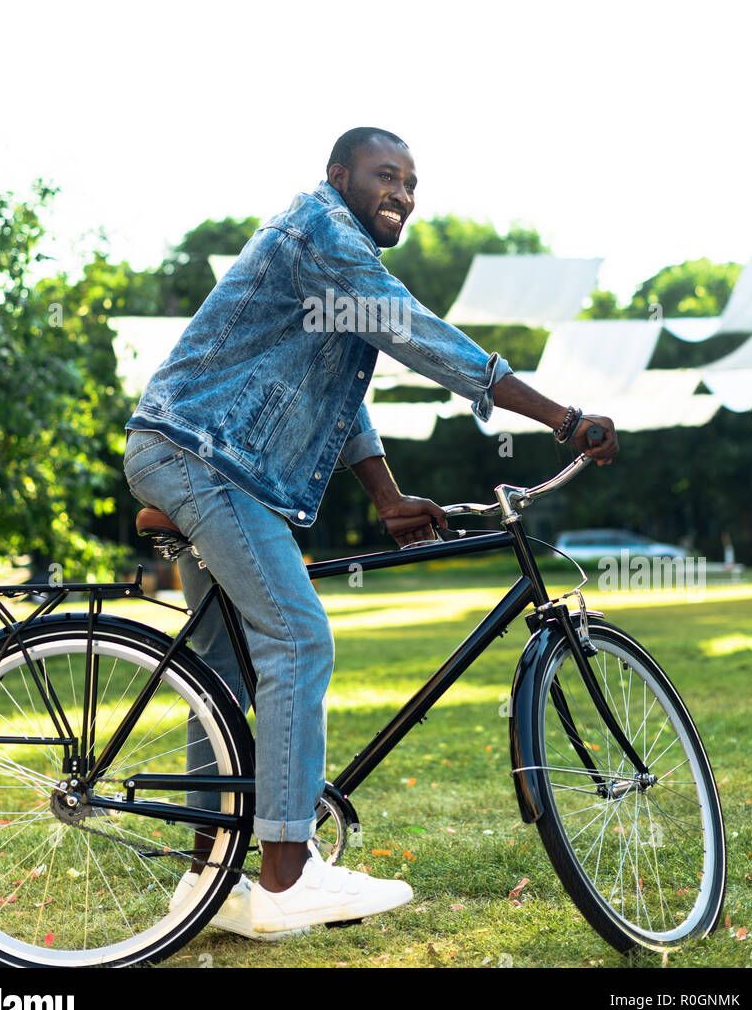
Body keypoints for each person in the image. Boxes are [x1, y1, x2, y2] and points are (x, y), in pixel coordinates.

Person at [123, 127, 618, 938]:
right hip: (208, 463)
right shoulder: (322, 233)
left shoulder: (330, 262)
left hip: (199, 457)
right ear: (338, 175)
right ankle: (285, 874)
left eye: (413, 183)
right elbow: (413, 331)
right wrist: (560, 418)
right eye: (386, 176)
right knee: (296, 637)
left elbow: (342, 396)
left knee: (221, 677)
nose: (404, 194)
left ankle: (203, 882)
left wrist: (388, 497)